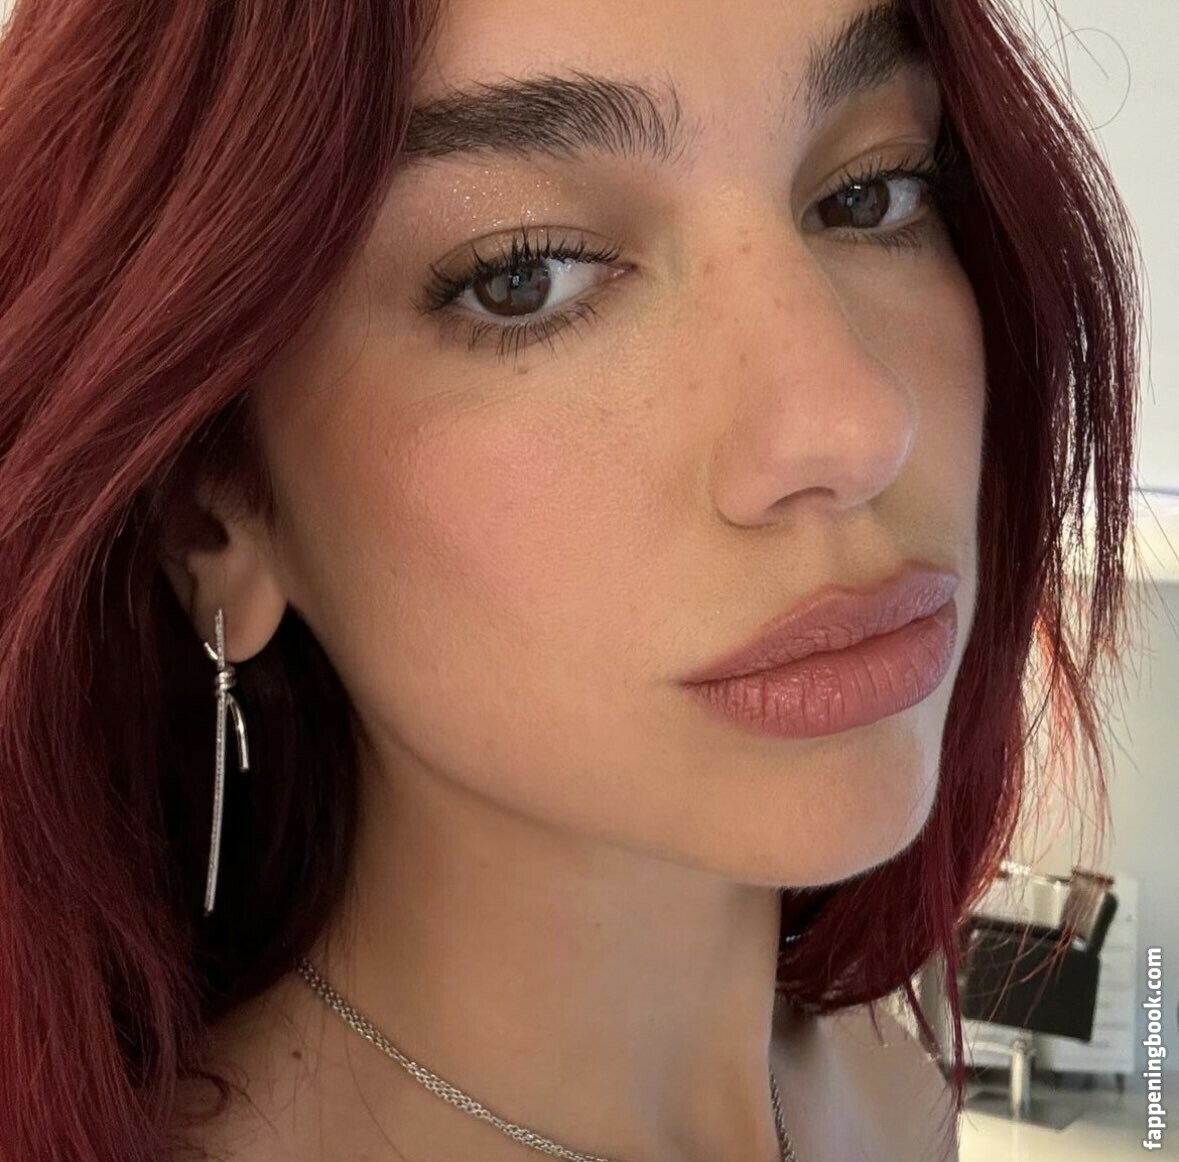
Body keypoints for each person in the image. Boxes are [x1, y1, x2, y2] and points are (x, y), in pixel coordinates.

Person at [0, 0, 1143, 1159]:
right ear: (213, 520)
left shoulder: (897, 1093)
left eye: (872, 193)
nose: (858, 426)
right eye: (524, 276)